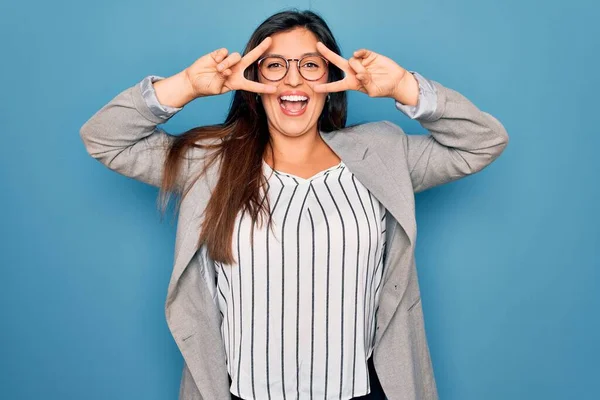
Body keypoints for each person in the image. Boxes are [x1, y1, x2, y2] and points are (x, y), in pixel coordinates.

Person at [80, 9, 508, 400]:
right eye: (275, 65)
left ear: (332, 79)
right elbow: (104, 138)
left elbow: (482, 142)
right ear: (253, 83)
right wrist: (187, 86)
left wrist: (403, 87)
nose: (293, 79)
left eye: (309, 64)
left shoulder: (383, 153)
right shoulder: (211, 161)